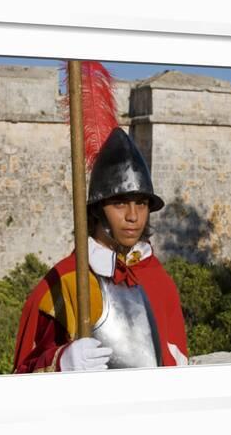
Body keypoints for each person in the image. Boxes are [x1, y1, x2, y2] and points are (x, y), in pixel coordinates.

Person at [12, 128, 188, 373]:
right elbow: (22, 376)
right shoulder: (64, 283)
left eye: (141, 203)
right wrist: (61, 361)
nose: (133, 216)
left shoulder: (158, 279)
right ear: (97, 210)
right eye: (119, 204)